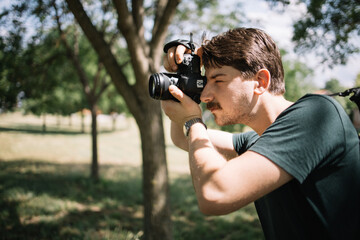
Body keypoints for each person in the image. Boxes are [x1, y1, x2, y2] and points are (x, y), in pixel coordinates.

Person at [160, 27, 360, 239]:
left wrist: (193, 120)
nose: (206, 95)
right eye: (205, 82)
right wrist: (183, 85)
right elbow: (183, 138)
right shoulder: (257, 140)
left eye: (218, 80)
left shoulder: (317, 116)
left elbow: (215, 193)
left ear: (261, 81)